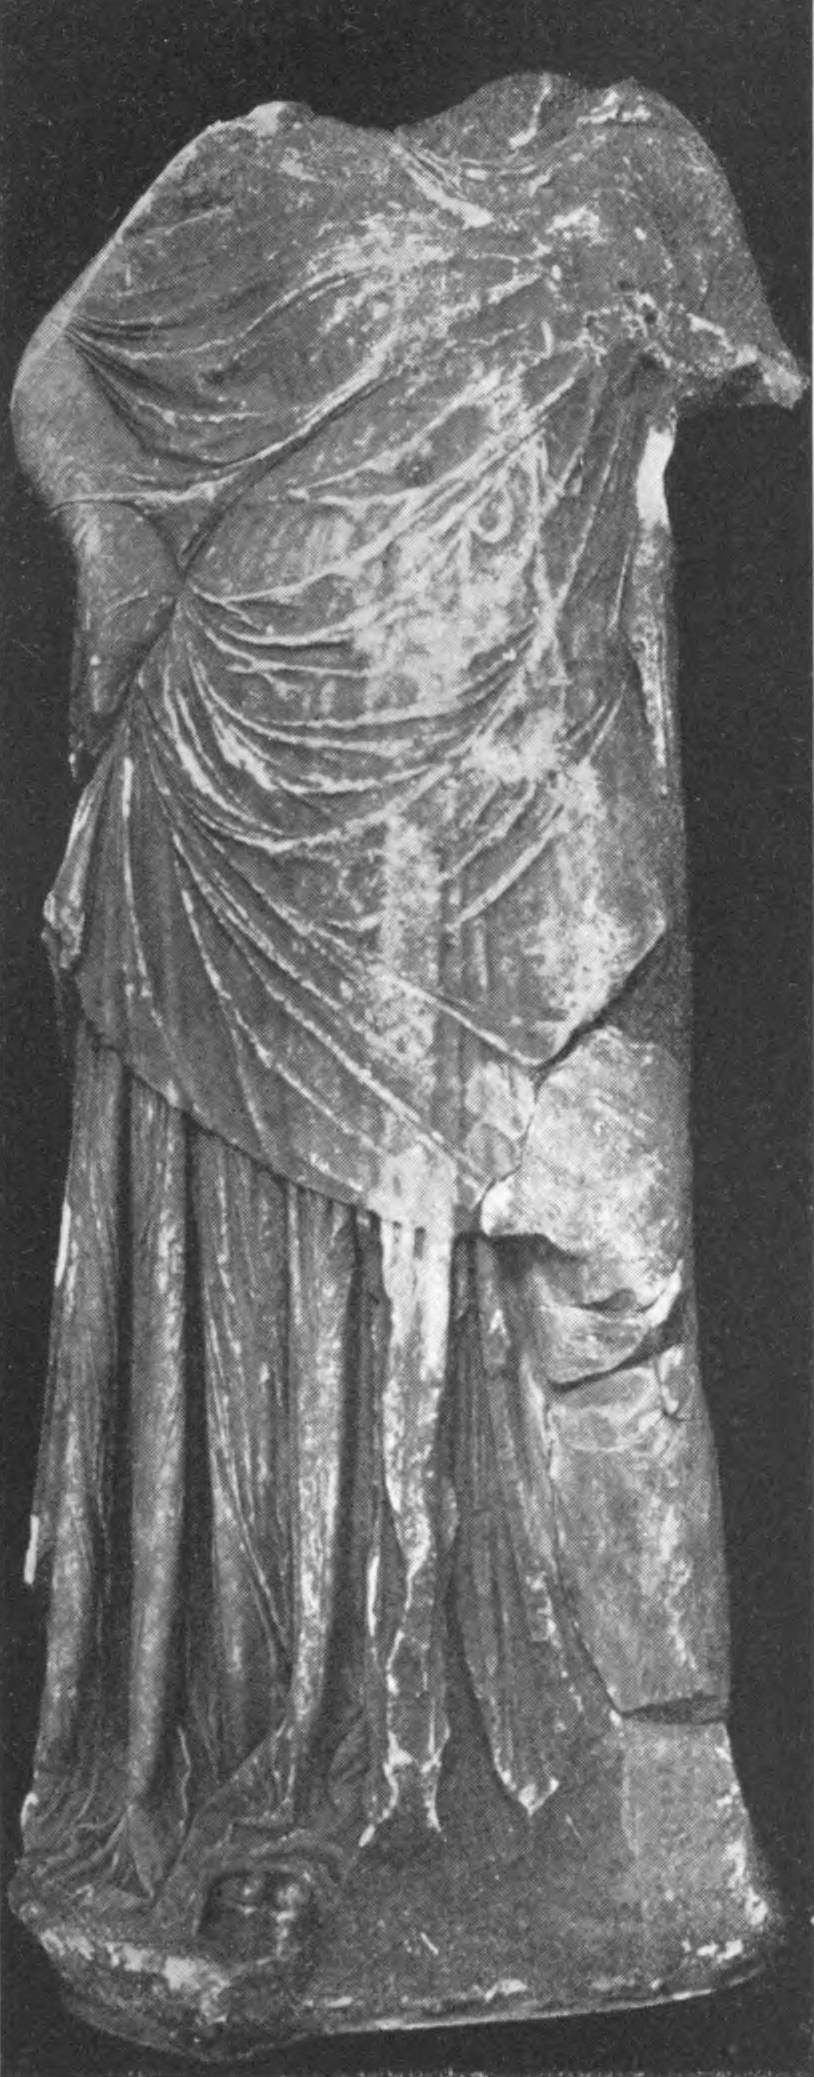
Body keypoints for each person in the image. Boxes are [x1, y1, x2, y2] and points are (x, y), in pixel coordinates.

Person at [12, 72, 803, 1984]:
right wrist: (117, 552)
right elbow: (58, 373)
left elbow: (666, 453)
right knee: (292, 1319)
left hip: (530, 813)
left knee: (609, 1265)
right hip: (258, 819)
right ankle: (290, 1789)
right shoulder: (248, 172)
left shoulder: (633, 162)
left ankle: (649, 1807)